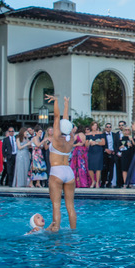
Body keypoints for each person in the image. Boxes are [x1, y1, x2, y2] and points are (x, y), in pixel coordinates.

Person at [44, 94, 78, 231]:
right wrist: (66, 104)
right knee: (70, 206)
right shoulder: (70, 140)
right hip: (68, 172)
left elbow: (57, 117)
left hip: (57, 172)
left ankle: (55, 230)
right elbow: (65, 121)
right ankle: (74, 232)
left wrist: (56, 101)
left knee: (56, 205)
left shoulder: (56, 139)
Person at [86, 122, 107, 188]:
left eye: (95, 126)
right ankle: (93, 181)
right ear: (91, 126)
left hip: (98, 151)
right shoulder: (88, 134)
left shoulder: (101, 133)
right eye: (93, 126)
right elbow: (86, 145)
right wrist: (89, 142)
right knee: (90, 167)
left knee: (98, 167)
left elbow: (103, 143)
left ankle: (98, 182)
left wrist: (96, 143)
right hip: (91, 151)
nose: (94, 127)